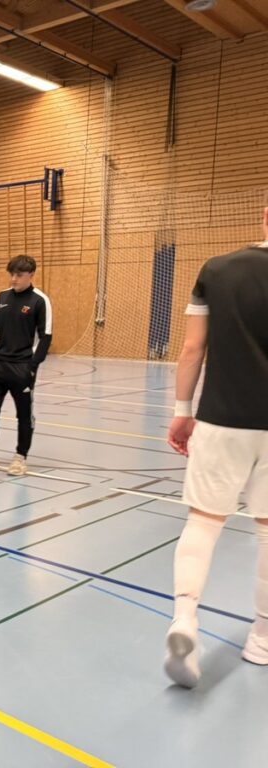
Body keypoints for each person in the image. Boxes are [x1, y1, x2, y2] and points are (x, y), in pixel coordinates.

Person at [163, 208, 268, 689]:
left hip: (221, 419)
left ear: (264, 215)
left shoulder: (216, 269)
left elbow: (192, 349)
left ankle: (185, 618)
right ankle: (262, 638)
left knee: (203, 522)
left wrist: (182, 410)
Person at [0, 255, 52, 477]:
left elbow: (45, 336)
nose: (14, 279)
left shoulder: (40, 300)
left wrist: (32, 366)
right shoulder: (2, 297)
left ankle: (20, 457)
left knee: (24, 414)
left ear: (31, 275)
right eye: (12, 274)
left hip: (21, 368)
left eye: (19, 275)